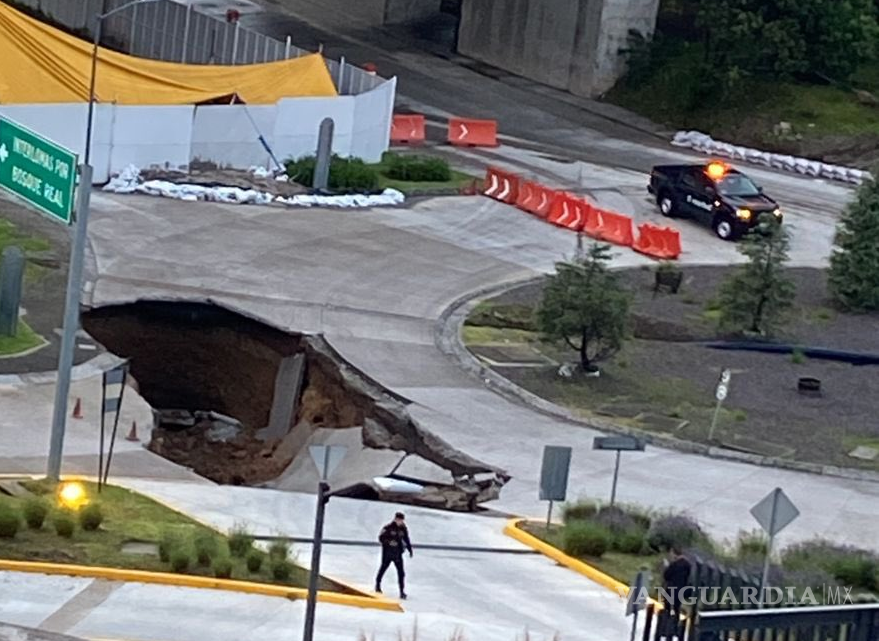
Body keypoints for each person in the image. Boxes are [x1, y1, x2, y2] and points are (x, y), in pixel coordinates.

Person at [375, 512, 413, 599]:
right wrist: (388, 542)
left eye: (401, 520)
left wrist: (410, 549)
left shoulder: (403, 529)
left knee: (401, 573)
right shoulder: (388, 527)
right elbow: (381, 538)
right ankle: (377, 585)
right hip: (388, 553)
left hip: (397, 554)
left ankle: (401, 591)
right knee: (383, 569)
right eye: (398, 520)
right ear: (395, 519)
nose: (400, 522)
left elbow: (406, 539)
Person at [662, 546, 693, 634]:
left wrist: (667, 567)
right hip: (680, 591)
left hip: (670, 590)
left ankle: (665, 628)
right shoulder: (687, 565)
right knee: (676, 609)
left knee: (667, 609)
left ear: (674, 553)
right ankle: (675, 628)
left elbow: (666, 576)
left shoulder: (674, 564)